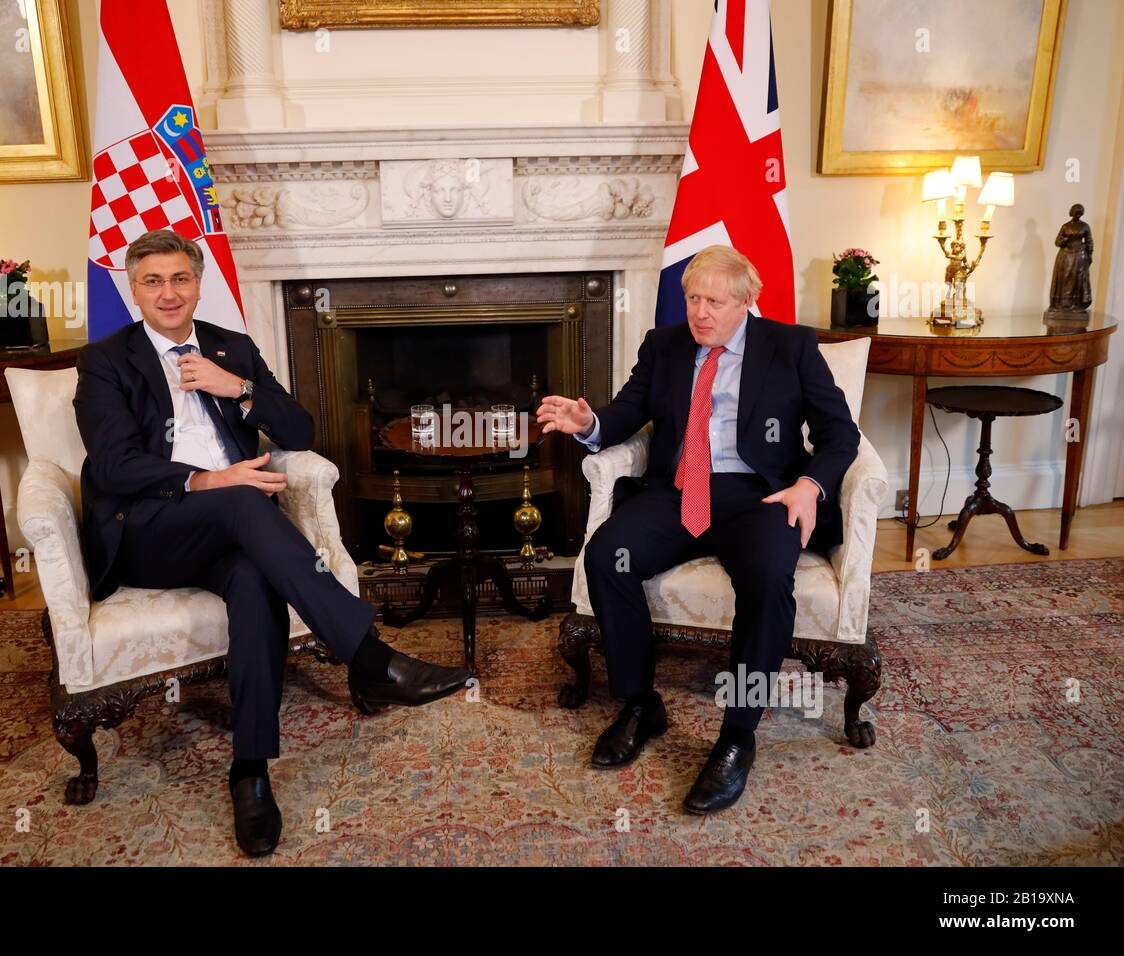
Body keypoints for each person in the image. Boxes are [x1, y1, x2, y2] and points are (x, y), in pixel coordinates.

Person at [74, 229, 470, 856]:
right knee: (240, 496)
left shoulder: (230, 348)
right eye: (153, 281)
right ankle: (368, 659)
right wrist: (209, 479)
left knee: (253, 581)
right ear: (134, 288)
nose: (168, 293)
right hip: (149, 528)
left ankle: (250, 770)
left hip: (233, 528)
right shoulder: (106, 360)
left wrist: (236, 388)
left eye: (180, 278)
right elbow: (114, 465)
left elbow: (299, 429)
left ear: (198, 284)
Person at [536, 245, 859, 814]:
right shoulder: (664, 346)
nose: (700, 312)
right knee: (607, 555)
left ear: (745, 302)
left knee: (766, 576)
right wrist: (589, 423)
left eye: (715, 300)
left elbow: (840, 434)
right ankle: (639, 704)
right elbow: (625, 413)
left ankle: (738, 734)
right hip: (680, 489)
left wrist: (810, 485)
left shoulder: (791, 347)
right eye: (693, 298)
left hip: (760, 493)